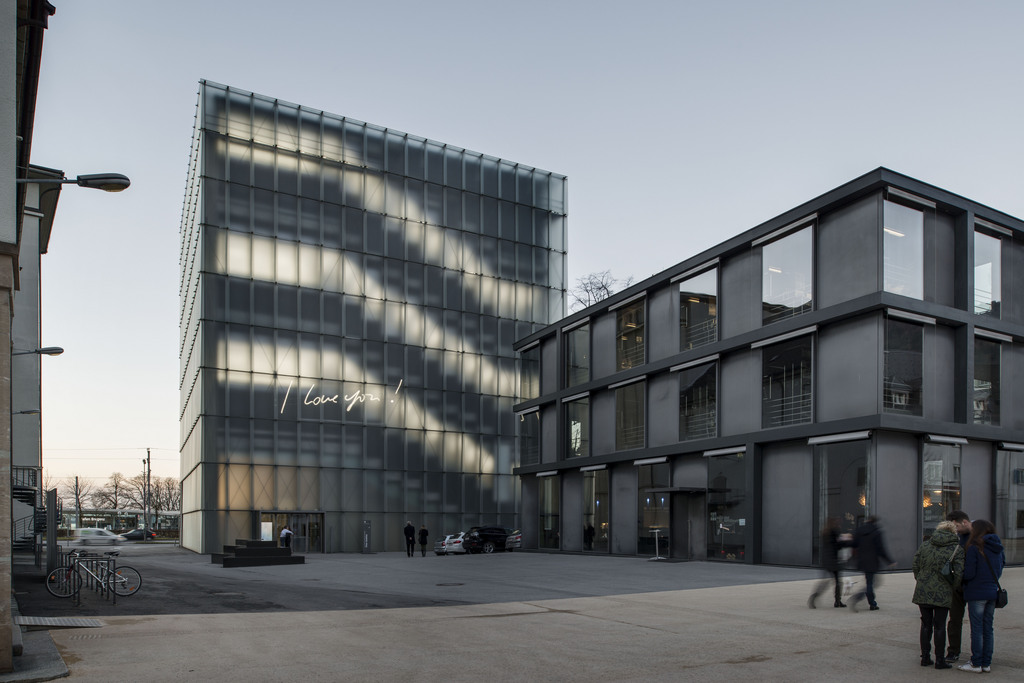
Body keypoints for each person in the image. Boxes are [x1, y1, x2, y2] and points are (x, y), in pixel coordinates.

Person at [912, 520, 964, 669]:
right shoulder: (956, 549)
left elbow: (915, 564)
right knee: (940, 626)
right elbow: (959, 573)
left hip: (923, 590)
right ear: (953, 532)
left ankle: (925, 657)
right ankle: (940, 660)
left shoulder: (926, 544)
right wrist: (952, 587)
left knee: (926, 624)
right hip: (943, 592)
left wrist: (920, 579)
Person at [958, 519, 1004, 673]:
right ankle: (986, 663)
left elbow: (969, 573)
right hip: (992, 591)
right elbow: (1000, 568)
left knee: (976, 629)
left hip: (976, 592)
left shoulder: (974, 547)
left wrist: (962, 580)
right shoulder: (998, 547)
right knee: (988, 628)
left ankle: (976, 663)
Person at [848, 515, 895, 612]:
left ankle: (872, 603)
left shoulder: (859, 530)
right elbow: (881, 549)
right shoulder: (877, 532)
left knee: (869, 582)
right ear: (875, 522)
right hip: (872, 561)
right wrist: (889, 561)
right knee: (872, 583)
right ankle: (860, 598)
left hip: (862, 560)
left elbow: (853, 544)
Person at [944, 510, 972, 664]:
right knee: (954, 620)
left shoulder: (980, 535)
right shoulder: (957, 538)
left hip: (973, 585)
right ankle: (953, 651)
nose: (956, 530)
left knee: (978, 622)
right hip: (957, 585)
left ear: (965, 522)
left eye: (957, 527)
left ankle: (978, 655)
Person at [808, 517, 851, 609]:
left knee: (826, 581)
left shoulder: (825, 532)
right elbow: (839, 545)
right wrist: (849, 541)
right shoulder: (834, 531)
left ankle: (815, 596)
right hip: (834, 560)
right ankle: (838, 601)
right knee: (838, 581)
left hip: (826, 559)